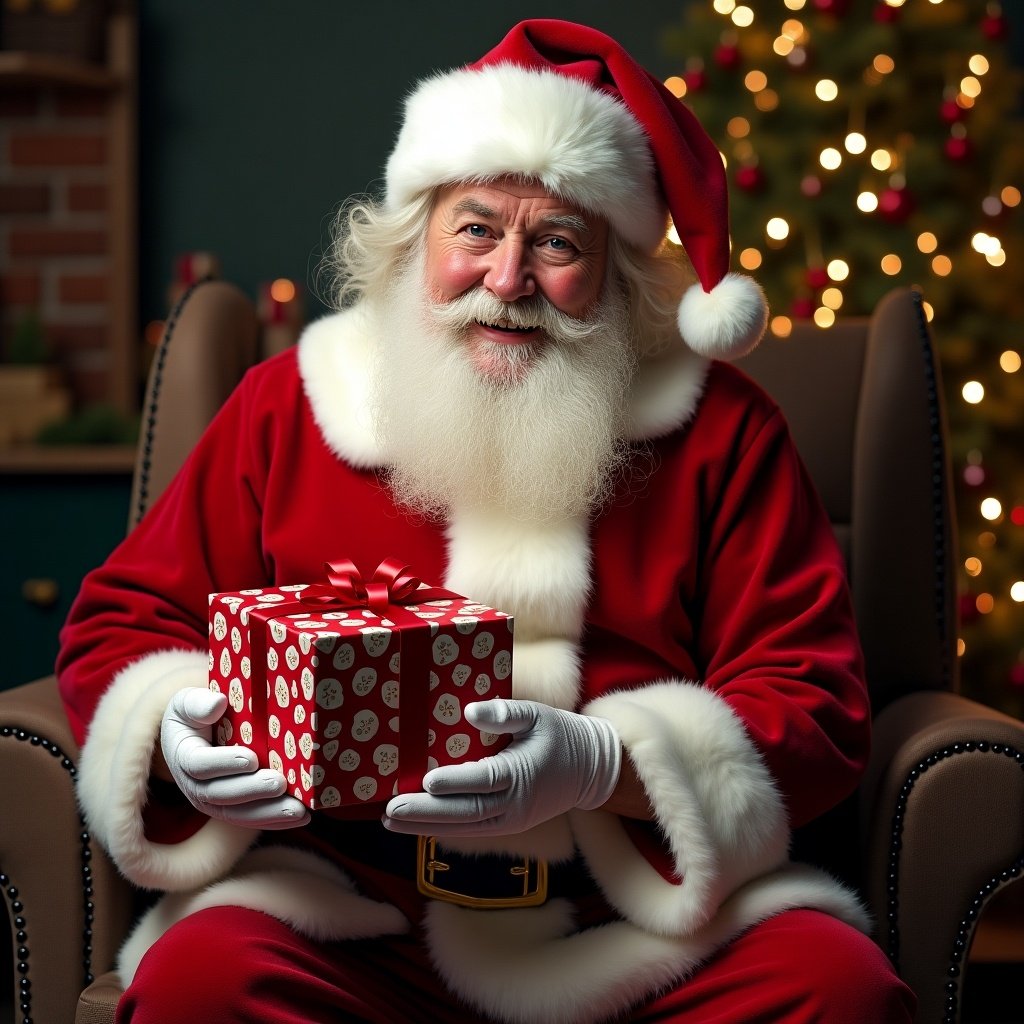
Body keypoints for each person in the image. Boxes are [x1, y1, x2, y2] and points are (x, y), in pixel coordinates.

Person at [58, 19, 916, 1024]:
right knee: (206, 982)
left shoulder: (722, 432)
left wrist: (606, 766)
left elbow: (811, 702)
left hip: (635, 919)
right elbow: (124, 625)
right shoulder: (289, 404)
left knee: (836, 986)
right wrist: (172, 729)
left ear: (617, 273)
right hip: (348, 913)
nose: (507, 281)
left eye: (555, 241)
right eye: (476, 229)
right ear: (415, 235)